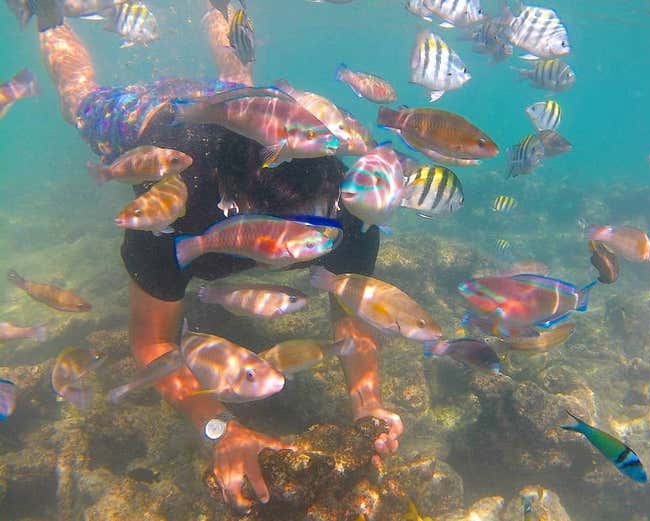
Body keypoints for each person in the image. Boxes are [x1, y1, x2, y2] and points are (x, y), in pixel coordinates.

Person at [31, 4, 403, 513]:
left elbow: (354, 309)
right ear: (234, 208)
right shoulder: (178, 202)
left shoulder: (347, 203)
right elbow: (152, 340)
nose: (298, 247)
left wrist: (369, 404)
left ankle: (216, 8)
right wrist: (218, 426)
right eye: (273, 235)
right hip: (151, 120)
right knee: (79, 104)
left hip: (240, 111)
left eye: (317, 226)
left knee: (237, 81)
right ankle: (50, 17)